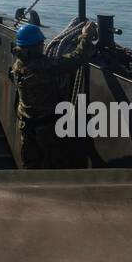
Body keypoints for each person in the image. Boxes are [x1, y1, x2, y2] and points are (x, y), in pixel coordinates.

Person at [9, 20, 98, 169]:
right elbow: (77, 58)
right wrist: (85, 36)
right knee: (55, 165)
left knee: (30, 164)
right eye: (40, 43)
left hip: (26, 124)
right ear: (36, 46)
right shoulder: (43, 67)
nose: (43, 45)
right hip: (46, 128)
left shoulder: (19, 63)